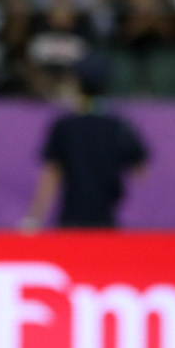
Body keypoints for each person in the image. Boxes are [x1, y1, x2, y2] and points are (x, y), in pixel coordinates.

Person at [22, 56, 149, 231]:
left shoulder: (65, 126)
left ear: (77, 84)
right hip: (106, 222)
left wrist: (34, 218)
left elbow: (51, 175)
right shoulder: (117, 126)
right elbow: (140, 169)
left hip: (72, 222)